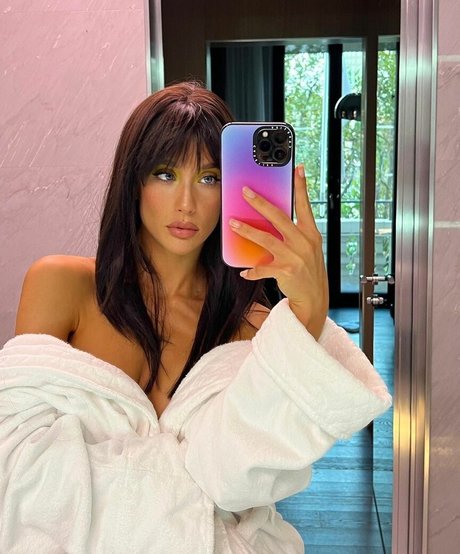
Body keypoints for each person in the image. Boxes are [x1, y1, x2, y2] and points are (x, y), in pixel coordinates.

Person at [0, 82, 391, 553]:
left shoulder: (253, 328)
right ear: (133, 181)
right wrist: (186, 481)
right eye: (165, 174)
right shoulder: (61, 286)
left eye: (209, 178)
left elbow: (242, 480)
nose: (186, 202)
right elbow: (17, 465)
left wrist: (309, 312)